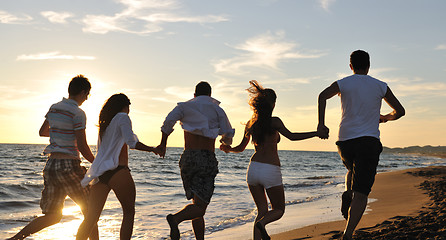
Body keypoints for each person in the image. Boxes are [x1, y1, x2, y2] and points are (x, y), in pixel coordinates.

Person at [317, 50, 405, 240]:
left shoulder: (343, 83)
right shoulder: (380, 86)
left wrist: (321, 124)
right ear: (369, 65)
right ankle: (348, 234)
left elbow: (322, 96)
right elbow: (400, 111)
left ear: (351, 66)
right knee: (362, 192)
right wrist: (386, 118)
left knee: (352, 169)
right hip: (368, 141)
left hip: (344, 142)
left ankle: (348, 192)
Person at [220, 80, 323, 240]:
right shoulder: (274, 121)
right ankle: (262, 225)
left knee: (261, 212)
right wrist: (315, 133)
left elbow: (240, 148)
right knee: (278, 210)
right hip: (270, 169)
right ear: (273, 104)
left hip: (252, 169)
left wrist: (228, 149)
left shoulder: (251, 123)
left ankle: (260, 228)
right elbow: (293, 137)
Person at [7, 75, 99, 240]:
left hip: (51, 166)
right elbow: (83, 145)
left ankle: (16, 238)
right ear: (83, 92)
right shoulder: (78, 113)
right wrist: (98, 163)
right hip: (68, 165)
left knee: (53, 216)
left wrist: (60, 131)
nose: (86, 99)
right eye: (87, 95)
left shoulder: (54, 108)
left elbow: (42, 132)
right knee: (91, 212)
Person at [156, 81, 234, 240]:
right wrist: (225, 142)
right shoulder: (217, 110)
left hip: (188, 158)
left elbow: (167, 123)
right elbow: (228, 134)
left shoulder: (184, 107)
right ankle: (175, 219)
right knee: (201, 207)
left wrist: (163, 144)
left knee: (196, 202)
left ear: (194, 95)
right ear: (210, 95)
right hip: (205, 157)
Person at [76, 93, 159, 240]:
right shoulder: (122, 117)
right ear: (125, 106)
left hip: (101, 174)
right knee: (128, 212)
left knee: (91, 219)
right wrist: (152, 149)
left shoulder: (105, 124)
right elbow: (132, 143)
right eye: (128, 108)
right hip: (118, 171)